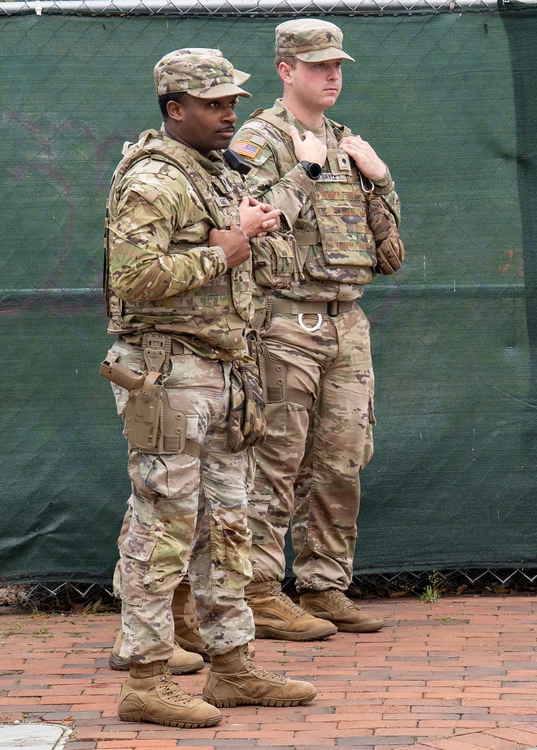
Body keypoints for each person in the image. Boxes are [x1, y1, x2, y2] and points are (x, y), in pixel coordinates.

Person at [102, 47, 317, 728]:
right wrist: (227, 247)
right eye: (214, 104)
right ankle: (145, 677)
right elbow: (132, 279)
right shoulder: (153, 180)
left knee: (228, 523)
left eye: (233, 103)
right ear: (174, 109)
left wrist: (260, 229)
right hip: (168, 374)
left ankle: (231, 667)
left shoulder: (218, 173)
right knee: (162, 527)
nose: (230, 115)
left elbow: (272, 264)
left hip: (227, 370)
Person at [229, 19, 401, 639]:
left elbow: (390, 252)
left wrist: (379, 178)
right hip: (285, 322)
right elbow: (249, 225)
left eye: (337, 65)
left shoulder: (347, 140)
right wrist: (302, 170)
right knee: (275, 459)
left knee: (341, 460)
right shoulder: (258, 140)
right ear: (285, 69)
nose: (332, 75)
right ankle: (261, 591)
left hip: (346, 322)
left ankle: (326, 586)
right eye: (318, 65)